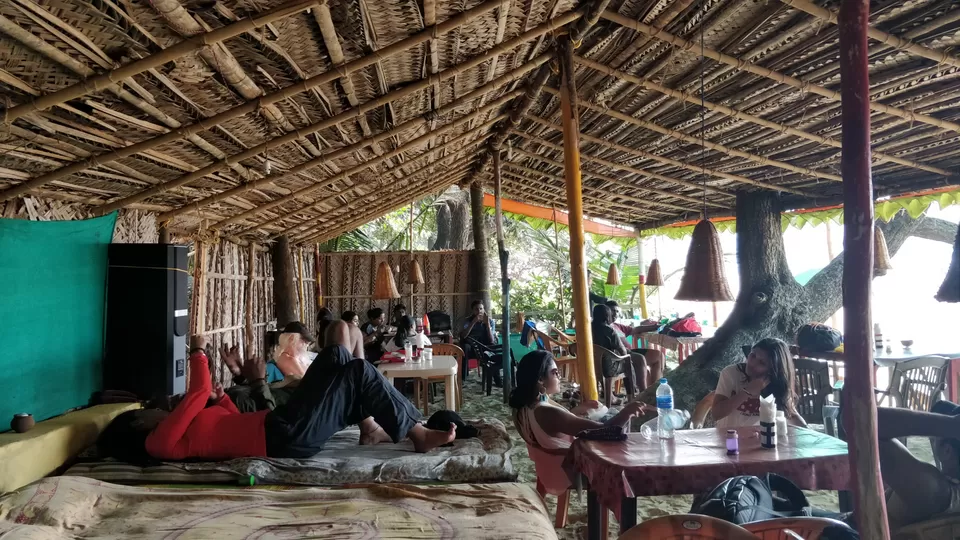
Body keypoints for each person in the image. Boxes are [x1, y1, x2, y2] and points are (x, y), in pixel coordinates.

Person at [97, 336, 457, 465]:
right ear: (138, 423)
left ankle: (373, 429)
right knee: (359, 370)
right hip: (284, 436)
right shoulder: (159, 442)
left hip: (280, 424)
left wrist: (221, 398)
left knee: (336, 355)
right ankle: (416, 433)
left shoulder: (178, 433)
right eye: (152, 410)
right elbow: (194, 394)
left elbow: (232, 418)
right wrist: (198, 351)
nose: (160, 409)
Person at [510, 350, 651, 450]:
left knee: (610, 412)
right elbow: (607, 431)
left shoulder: (526, 404)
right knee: (629, 423)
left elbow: (556, 424)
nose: (559, 376)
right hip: (571, 469)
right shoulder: (546, 412)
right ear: (540, 379)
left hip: (550, 466)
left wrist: (576, 411)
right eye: (555, 373)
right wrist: (627, 412)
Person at [869, 402, 960, 531]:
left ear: (947, 451)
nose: (932, 440)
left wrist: (951, 425)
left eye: (935, 439)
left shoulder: (936, 491)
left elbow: (862, 420)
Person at [711, 338, 805, 429]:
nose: (752, 363)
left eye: (762, 363)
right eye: (753, 355)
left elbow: (791, 413)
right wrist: (748, 391)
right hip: (730, 438)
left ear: (773, 370)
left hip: (761, 439)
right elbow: (716, 414)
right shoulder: (731, 373)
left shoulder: (776, 383)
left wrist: (811, 433)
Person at [591, 304, 650, 400]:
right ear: (607, 315)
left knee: (628, 360)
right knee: (628, 364)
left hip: (591, 365)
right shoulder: (609, 330)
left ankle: (612, 395)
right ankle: (632, 396)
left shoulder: (588, 329)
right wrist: (626, 355)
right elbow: (622, 351)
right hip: (608, 367)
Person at [606, 300, 665, 388]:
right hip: (620, 357)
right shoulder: (603, 327)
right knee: (649, 358)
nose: (615, 314)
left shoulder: (617, 326)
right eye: (612, 311)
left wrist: (656, 326)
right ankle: (649, 391)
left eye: (617, 311)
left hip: (629, 353)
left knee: (659, 356)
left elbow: (635, 329)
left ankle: (653, 389)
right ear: (606, 311)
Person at [459, 300, 496, 382]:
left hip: (484, 347)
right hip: (471, 348)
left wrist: (487, 325)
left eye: (481, 309)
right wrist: (473, 322)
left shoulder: (490, 321)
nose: (479, 311)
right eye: (476, 309)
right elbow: (464, 335)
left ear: (484, 310)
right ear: (472, 311)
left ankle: (497, 379)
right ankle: (463, 378)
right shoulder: (468, 321)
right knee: (464, 347)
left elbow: (491, 340)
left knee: (493, 347)